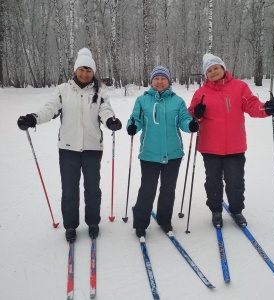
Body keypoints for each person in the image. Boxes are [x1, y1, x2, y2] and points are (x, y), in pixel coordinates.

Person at [17, 48, 122, 242]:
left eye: (89, 70)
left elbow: (105, 110)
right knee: (69, 189)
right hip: (68, 149)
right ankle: (71, 226)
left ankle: (93, 222)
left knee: (92, 189)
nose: (84, 74)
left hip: (92, 148)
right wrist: (33, 118)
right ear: (75, 70)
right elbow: (49, 109)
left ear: (93, 72)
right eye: (81, 70)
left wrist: (110, 121)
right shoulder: (63, 90)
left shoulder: (100, 92)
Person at [188, 53, 274, 228]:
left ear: (223, 68)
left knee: (236, 181)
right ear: (205, 75)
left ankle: (237, 210)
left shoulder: (240, 87)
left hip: (235, 146)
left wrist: (266, 108)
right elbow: (191, 114)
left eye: (216, 68)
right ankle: (216, 211)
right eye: (209, 70)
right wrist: (196, 114)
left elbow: (252, 106)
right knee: (213, 181)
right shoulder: (201, 92)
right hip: (210, 146)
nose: (213, 72)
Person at [126, 66, 199, 238]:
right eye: (156, 78)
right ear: (151, 81)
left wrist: (190, 125)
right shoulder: (142, 100)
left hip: (173, 154)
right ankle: (141, 223)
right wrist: (132, 126)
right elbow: (135, 118)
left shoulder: (177, 101)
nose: (160, 81)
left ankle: (164, 220)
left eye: (163, 78)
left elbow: (184, 119)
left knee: (168, 189)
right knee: (147, 189)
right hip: (149, 154)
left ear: (169, 81)